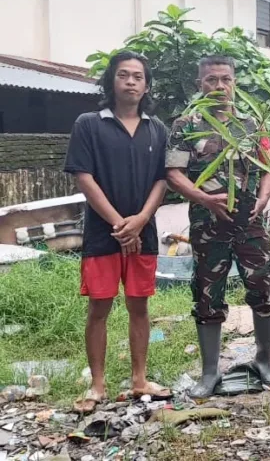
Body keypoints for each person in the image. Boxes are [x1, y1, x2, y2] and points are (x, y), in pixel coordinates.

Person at [165, 55, 270, 398]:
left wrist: (262, 200)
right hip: (207, 223)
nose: (219, 86)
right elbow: (173, 174)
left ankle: (264, 360)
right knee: (207, 292)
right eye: (211, 80)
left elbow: (269, 168)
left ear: (234, 82)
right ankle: (210, 372)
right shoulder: (186, 125)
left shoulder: (251, 124)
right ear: (200, 84)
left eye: (225, 79)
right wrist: (204, 199)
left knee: (264, 284)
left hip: (250, 222)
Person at [64, 51, 170, 413]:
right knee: (99, 306)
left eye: (137, 76)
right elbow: (84, 176)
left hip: (145, 233)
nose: (130, 81)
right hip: (101, 235)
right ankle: (97, 384)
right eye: (123, 75)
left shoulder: (158, 130)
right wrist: (118, 224)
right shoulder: (89, 124)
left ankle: (140, 378)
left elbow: (162, 180)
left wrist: (139, 219)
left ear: (146, 85)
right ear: (111, 81)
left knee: (139, 306)